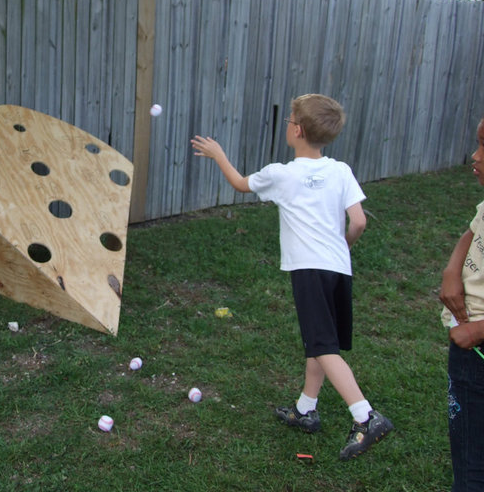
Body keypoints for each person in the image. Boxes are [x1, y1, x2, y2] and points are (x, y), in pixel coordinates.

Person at [191, 93, 393, 460]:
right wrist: (344, 247)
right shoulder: (341, 170)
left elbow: (239, 183)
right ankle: (305, 409)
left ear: (297, 130)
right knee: (320, 339)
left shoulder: (280, 174)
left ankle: (365, 417)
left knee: (322, 345)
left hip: (309, 270)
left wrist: (218, 155)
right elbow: (359, 221)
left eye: (289, 120)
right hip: (337, 269)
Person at [440, 116, 484, 491]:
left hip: (476, 345)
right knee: (468, 452)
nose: (475, 155)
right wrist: (452, 272)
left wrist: (477, 330)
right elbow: (472, 232)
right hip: (467, 344)